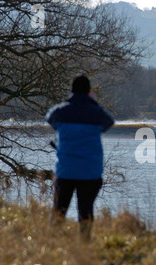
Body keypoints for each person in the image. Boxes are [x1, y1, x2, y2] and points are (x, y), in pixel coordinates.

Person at [46, 75, 114, 241]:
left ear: (72, 90)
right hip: (90, 172)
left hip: (66, 171)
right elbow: (108, 123)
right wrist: (93, 103)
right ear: (89, 91)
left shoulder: (60, 111)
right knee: (86, 211)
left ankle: (51, 243)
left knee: (59, 210)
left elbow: (50, 119)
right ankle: (85, 245)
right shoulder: (97, 113)